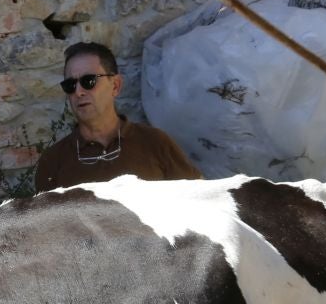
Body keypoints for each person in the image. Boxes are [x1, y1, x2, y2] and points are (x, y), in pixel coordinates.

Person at [33, 41, 202, 193]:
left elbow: (198, 204)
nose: (78, 92)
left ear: (115, 85)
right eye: (70, 85)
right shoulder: (53, 162)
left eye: (88, 81)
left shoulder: (155, 144)